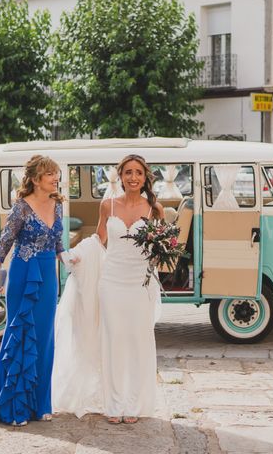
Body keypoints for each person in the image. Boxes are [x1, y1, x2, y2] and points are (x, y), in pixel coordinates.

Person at [0, 155, 65, 426]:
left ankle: (40, 404)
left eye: (56, 174)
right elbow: (5, 243)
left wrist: (71, 258)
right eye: (50, 174)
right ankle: (15, 408)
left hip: (48, 275)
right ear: (36, 179)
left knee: (44, 339)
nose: (55, 179)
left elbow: (58, 241)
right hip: (24, 273)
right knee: (20, 336)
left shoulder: (57, 204)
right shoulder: (22, 208)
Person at [96, 154, 164, 424]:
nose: (133, 177)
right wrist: (79, 257)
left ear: (145, 176)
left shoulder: (154, 209)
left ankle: (134, 404)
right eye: (128, 172)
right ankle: (114, 404)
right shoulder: (107, 206)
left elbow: (160, 246)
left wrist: (161, 254)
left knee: (138, 341)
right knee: (113, 340)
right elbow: (99, 240)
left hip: (139, 282)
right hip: (111, 280)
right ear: (120, 176)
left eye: (138, 172)